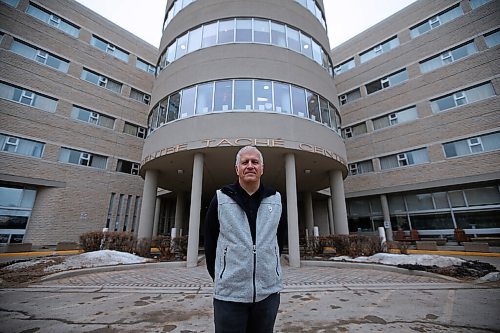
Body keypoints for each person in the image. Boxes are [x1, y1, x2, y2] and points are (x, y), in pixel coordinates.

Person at [204, 145, 286, 333]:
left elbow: (279, 240)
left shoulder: (275, 199)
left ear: (262, 169)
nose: (250, 166)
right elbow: (210, 241)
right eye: (245, 162)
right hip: (229, 296)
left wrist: (268, 268)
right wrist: (221, 276)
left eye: (255, 162)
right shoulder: (221, 198)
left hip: (267, 295)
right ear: (237, 169)